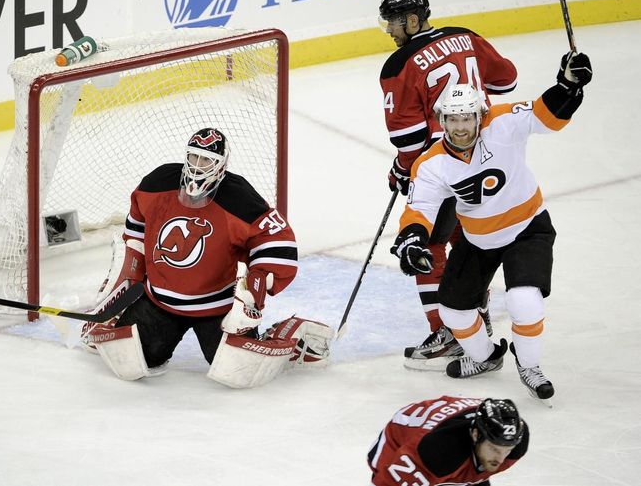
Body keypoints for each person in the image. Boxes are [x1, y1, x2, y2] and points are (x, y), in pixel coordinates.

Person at [391, 51, 593, 399]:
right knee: (452, 311)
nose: (460, 127)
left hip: (527, 228)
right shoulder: (431, 163)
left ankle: (529, 365)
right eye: (451, 119)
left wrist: (568, 86)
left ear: (479, 116)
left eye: (466, 118)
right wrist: (411, 241)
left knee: (524, 301)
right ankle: (485, 358)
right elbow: (420, 209)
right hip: (479, 238)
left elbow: (547, 116)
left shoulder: (503, 123)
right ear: (441, 121)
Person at [87, 127, 334, 387]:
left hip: (216, 308)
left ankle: (291, 333)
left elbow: (276, 238)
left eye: (206, 160)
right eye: (193, 157)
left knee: (239, 372)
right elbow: (136, 234)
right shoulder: (157, 184)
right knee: (127, 363)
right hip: (159, 302)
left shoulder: (238, 198)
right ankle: (118, 320)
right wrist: (125, 284)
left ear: (221, 164)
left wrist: (257, 282)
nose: (197, 166)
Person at [378, 0, 518, 364]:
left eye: (392, 23)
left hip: (443, 165)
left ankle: (446, 330)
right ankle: (476, 317)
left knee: (427, 243)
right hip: (489, 158)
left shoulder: (399, 65)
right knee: (470, 237)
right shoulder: (465, 37)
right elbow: (507, 80)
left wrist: (402, 170)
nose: (389, 31)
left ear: (411, 20)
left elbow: (409, 143)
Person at [368, 396, 529, 486]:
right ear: (475, 435)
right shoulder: (439, 452)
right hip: (399, 439)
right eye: (494, 448)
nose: (501, 459)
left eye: (507, 449)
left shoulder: (517, 440)